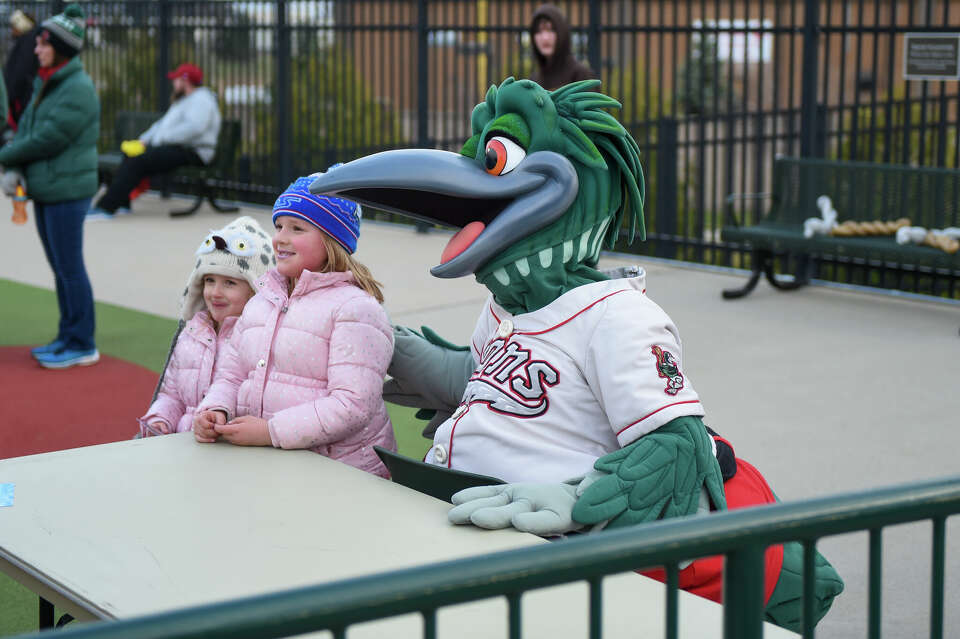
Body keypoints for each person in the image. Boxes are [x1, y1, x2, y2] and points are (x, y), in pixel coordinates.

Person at [193, 174, 397, 478]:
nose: (280, 238)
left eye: (297, 228)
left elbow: (352, 405)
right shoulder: (262, 301)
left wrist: (271, 432)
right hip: (276, 464)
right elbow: (231, 374)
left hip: (340, 474)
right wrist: (216, 408)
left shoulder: (356, 309)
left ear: (332, 240)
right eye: (278, 226)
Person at [0, 4, 101, 369]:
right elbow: (29, 128)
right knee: (60, 267)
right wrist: (13, 153)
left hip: (67, 191)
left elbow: (47, 138)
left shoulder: (77, 89)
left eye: (43, 44)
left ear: (59, 48)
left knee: (70, 267)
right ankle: (67, 335)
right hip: (50, 189)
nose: (36, 49)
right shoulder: (49, 81)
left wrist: (7, 156)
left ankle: (83, 342)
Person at [139, 216, 275, 437]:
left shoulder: (258, 341)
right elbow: (171, 395)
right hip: (184, 446)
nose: (215, 292)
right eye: (209, 280)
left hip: (225, 450)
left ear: (255, 290)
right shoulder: (192, 334)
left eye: (230, 283)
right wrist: (160, 420)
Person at [87, 62, 221, 220]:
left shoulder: (201, 100)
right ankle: (123, 204)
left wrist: (161, 139)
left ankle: (106, 208)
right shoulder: (184, 101)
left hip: (195, 152)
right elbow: (161, 125)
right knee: (132, 154)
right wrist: (144, 140)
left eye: (176, 79)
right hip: (179, 148)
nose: (174, 83)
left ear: (186, 81)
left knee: (139, 160)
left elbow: (195, 128)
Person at [528, 4, 595, 90]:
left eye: (550, 30)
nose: (545, 37)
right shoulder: (534, 80)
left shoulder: (581, 76)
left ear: (561, 33)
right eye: (538, 31)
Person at [3, 9, 38, 129]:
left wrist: (10, 95)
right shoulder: (28, 41)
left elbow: (20, 71)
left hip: (21, 100)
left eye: (14, 26)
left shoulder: (27, 42)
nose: (12, 30)